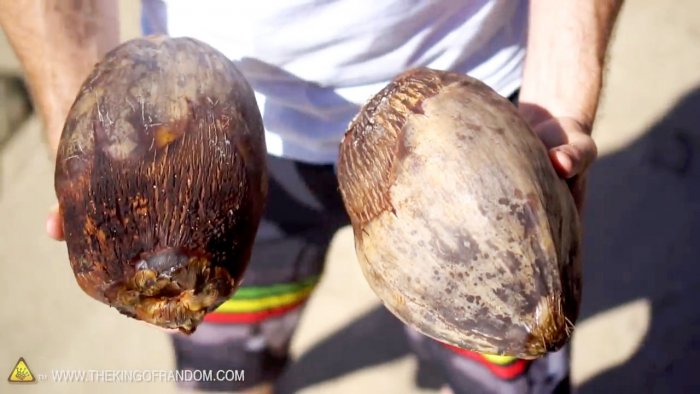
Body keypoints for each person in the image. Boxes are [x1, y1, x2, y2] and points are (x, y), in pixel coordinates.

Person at [0, 0, 623, 392]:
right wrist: (76, 128)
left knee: (508, 342)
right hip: (212, 149)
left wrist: (561, 93)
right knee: (227, 361)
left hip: (472, 121)